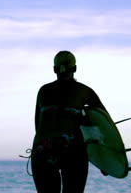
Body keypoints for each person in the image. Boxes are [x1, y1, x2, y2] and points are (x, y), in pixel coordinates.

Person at [31, 50, 108, 193]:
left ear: (54, 70)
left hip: (43, 151)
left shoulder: (43, 91)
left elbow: (38, 125)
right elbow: (105, 126)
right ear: (75, 69)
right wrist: (107, 162)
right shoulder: (84, 91)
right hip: (72, 152)